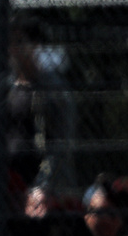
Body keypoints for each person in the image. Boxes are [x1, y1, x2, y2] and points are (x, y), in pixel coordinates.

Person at [5, 16, 76, 192]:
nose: (13, 49)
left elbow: (61, 142)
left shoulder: (52, 88)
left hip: (44, 186)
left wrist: (43, 185)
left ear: (36, 45)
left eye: (20, 42)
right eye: (9, 42)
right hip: (11, 183)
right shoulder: (8, 87)